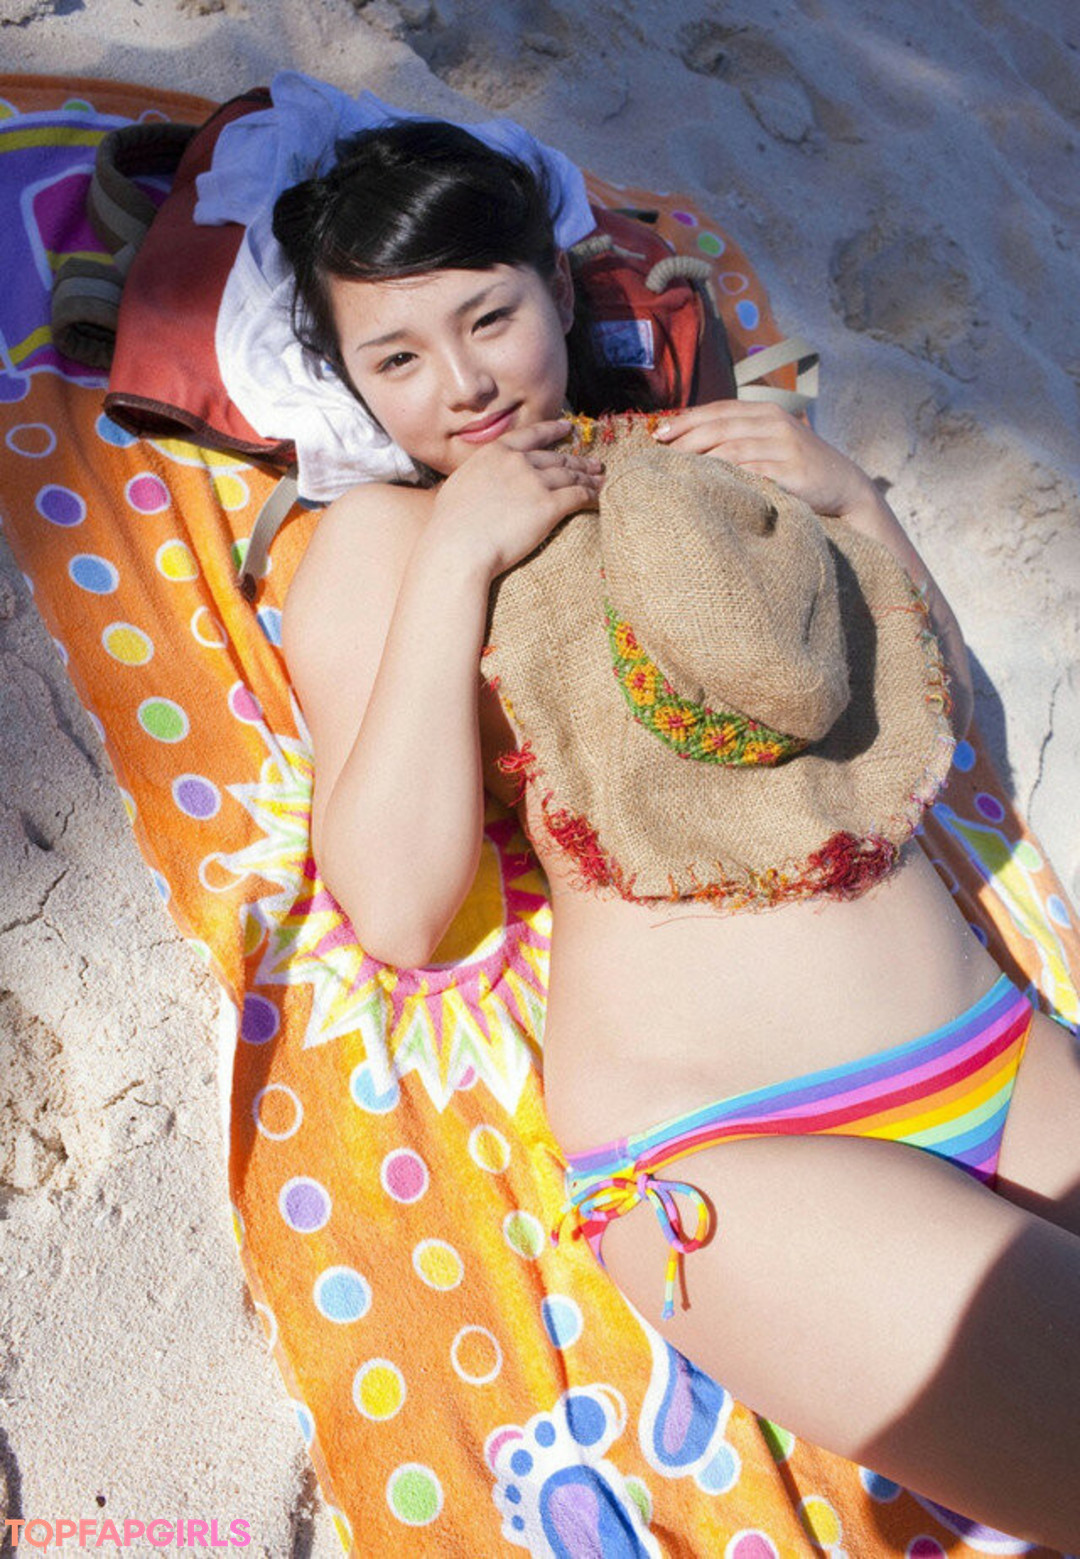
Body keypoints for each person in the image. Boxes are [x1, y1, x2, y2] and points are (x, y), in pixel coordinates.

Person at [272, 121, 1080, 1550]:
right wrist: (461, 552)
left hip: (997, 1056)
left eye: (489, 318)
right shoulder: (383, 541)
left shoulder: (710, 458)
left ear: (556, 290)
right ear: (352, 383)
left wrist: (847, 498)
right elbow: (395, 907)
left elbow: (931, 728)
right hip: (731, 1151)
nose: (462, 383)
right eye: (395, 358)